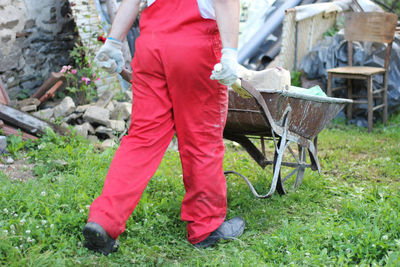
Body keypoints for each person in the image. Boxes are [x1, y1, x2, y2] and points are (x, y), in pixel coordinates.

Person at [82, 0, 245, 255]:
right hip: (195, 47)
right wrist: (230, 53)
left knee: (141, 139)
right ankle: (205, 227)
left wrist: (114, 41)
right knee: (201, 139)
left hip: (151, 47)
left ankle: (103, 220)